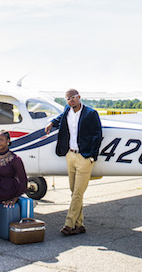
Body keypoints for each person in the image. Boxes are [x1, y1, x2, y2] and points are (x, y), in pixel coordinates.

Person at [45, 88, 102, 236]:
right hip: (70, 155)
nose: (71, 100)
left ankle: (69, 224)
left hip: (84, 157)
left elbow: (97, 135)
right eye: (68, 98)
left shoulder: (91, 113)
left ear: (79, 97)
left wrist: (92, 156)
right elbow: (61, 118)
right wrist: (52, 122)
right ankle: (79, 225)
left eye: (73, 97)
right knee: (74, 192)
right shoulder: (67, 111)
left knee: (77, 193)